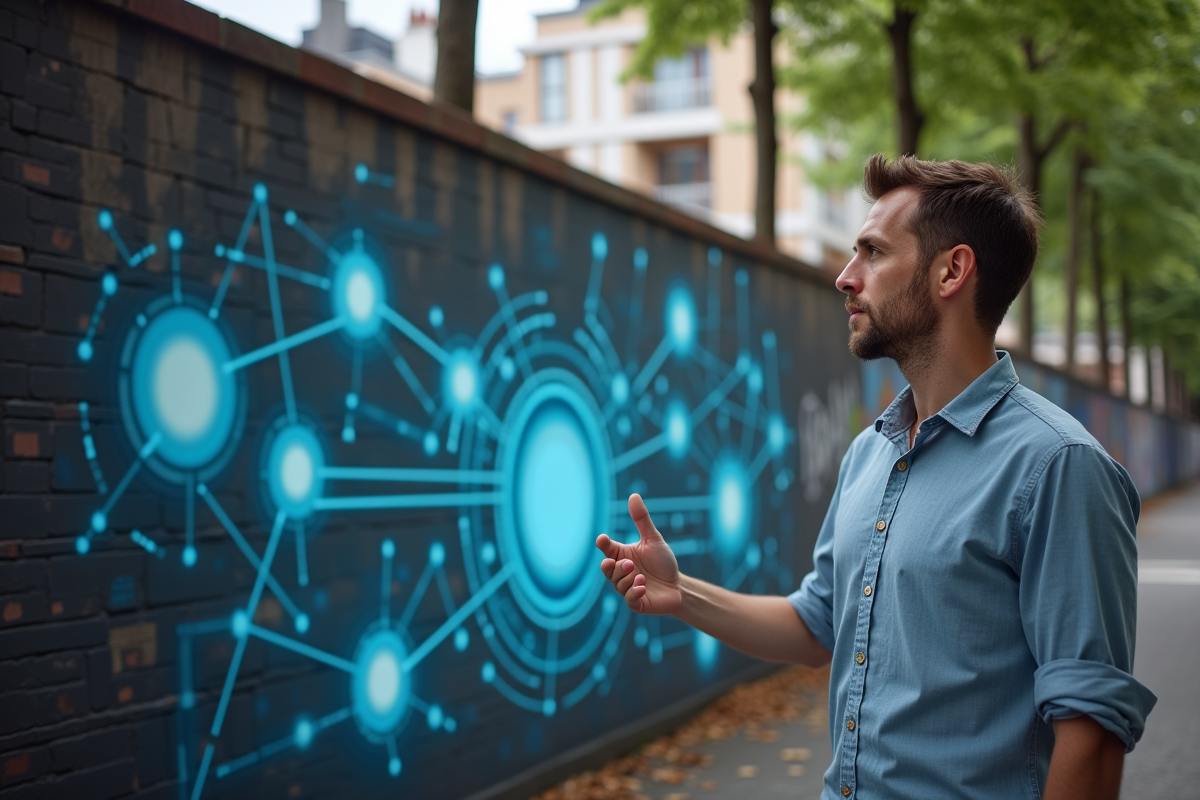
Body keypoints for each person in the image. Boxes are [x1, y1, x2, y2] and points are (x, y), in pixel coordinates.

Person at [596, 155, 1156, 800]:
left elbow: (1091, 731)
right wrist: (681, 593)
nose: (846, 276)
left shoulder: (1059, 465)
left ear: (952, 271)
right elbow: (816, 624)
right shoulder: (870, 452)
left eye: (873, 252)